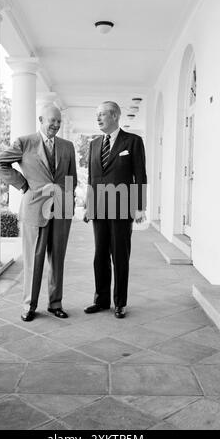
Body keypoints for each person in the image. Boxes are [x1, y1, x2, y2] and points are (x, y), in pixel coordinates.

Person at [0, 105, 77, 322]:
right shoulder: (24, 142)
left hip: (61, 209)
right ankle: (29, 305)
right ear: (41, 119)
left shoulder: (67, 146)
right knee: (34, 259)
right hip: (34, 208)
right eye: (52, 121)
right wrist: (22, 185)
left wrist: (69, 202)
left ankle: (55, 304)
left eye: (59, 122)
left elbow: (71, 178)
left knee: (57, 258)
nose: (56, 125)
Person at [84, 101, 147, 319]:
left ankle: (120, 302)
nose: (98, 118)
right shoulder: (93, 144)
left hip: (122, 208)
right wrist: (88, 205)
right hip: (99, 209)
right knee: (99, 256)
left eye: (102, 114)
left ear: (115, 116)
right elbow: (92, 178)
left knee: (120, 256)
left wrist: (140, 206)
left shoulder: (133, 141)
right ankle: (100, 300)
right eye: (97, 114)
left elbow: (140, 175)